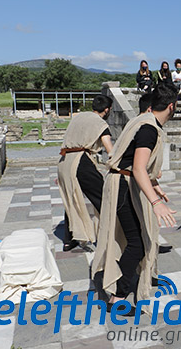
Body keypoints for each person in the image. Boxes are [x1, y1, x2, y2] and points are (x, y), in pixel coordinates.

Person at [92, 84, 178, 315]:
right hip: (123, 186)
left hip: (123, 182)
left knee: (139, 238)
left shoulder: (142, 120)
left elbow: (132, 161)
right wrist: (156, 203)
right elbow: (139, 168)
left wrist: (154, 186)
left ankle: (139, 276)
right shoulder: (149, 129)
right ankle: (117, 298)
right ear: (171, 107)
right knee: (137, 242)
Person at [58, 95, 113, 252]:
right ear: (107, 109)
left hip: (64, 161)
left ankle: (69, 240)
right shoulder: (100, 123)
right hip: (80, 161)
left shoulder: (78, 117)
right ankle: (113, 234)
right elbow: (110, 150)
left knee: (71, 198)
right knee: (103, 197)